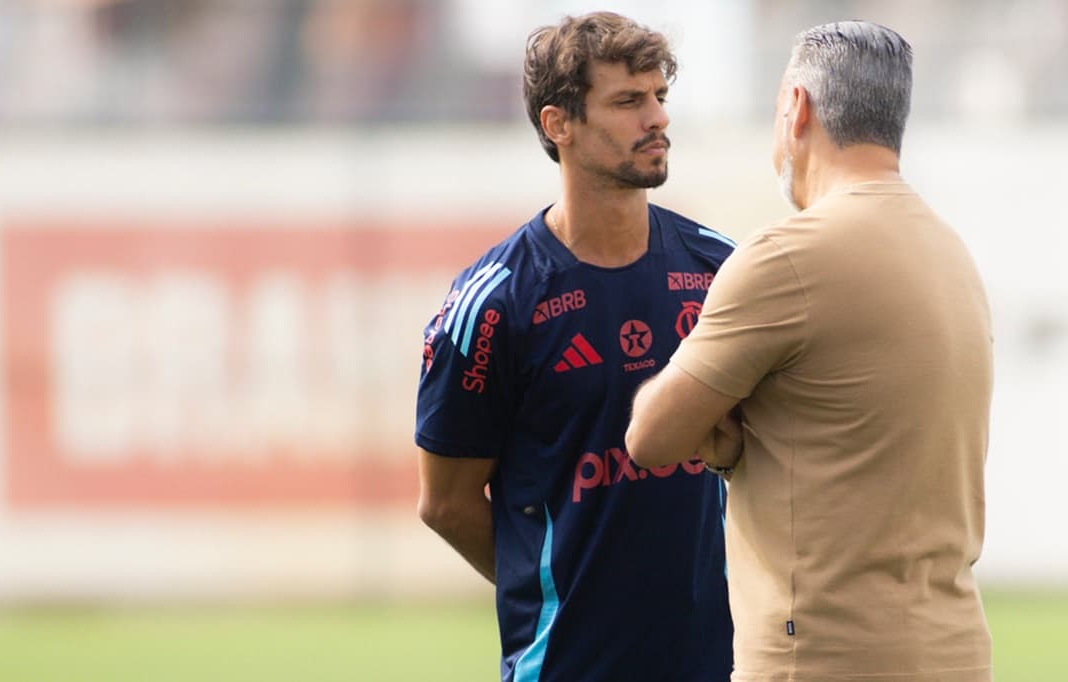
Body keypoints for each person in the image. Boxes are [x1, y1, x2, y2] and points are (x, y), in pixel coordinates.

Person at [626, 21, 994, 682]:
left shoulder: (790, 255)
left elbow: (651, 437)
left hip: (825, 656)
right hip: (954, 650)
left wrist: (724, 434)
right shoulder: (950, 250)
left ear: (797, 109)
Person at [415, 12, 734, 682]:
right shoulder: (494, 303)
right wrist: (561, 588)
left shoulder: (721, 273)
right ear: (558, 124)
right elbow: (445, 502)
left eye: (659, 98)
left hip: (718, 665)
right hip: (565, 667)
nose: (657, 119)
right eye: (627, 101)